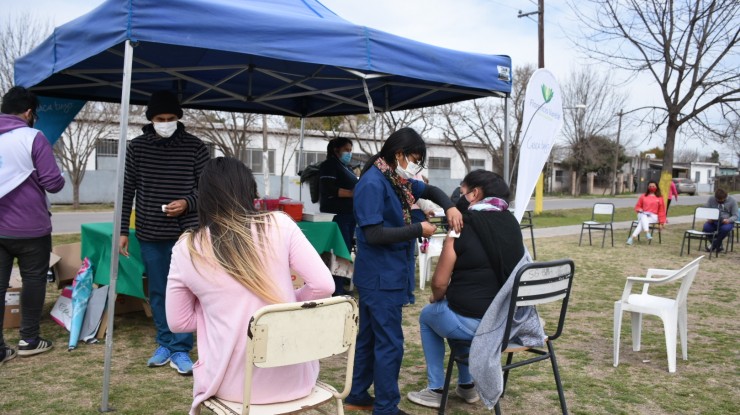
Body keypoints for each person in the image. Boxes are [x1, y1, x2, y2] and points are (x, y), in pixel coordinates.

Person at [166, 157, 334, 415]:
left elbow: (178, 323)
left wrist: (217, 313)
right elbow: (324, 286)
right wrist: (288, 302)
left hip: (231, 384)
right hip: (297, 380)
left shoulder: (185, 248)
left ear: (204, 198)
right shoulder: (280, 224)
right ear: (251, 192)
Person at [345, 127, 463, 415]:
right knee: (390, 344)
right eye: (413, 158)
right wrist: (417, 228)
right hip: (380, 276)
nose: (415, 165)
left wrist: (449, 207)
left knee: (371, 337)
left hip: (387, 274)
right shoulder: (373, 183)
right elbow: (372, 234)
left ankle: (358, 393)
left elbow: (429, 190)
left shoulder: (395, 178)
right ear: (398, 154)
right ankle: (386, 408)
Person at [407, 170, 524, 409]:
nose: (457, 196)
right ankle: (467, 385)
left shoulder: (460, 226)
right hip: (507, 320)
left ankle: (436, 389)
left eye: (461, 190)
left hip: (478, 322)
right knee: (451, 313)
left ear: (475, 194)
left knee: (430, 316)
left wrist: (435, 297)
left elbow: (439, 283)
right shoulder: (511, 223)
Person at [119, 90, 210, 375]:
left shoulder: (196, 147)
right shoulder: (137, 147)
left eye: (171, 118)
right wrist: (123, 229)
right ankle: (165, 342)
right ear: (151, 119)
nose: (166, 122)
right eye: (161, 118)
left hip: (187, 233)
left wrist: (187, 203)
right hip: (149, 232)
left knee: (186, 290)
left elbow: (206, 188)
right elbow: (127, 190)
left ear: (179, 118)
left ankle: (181, 347)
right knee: (158, 290)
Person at [0, 86, 65, 363]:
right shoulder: (32, 137)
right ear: (28, 112)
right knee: (34, 281)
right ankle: (29, 338)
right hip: (31, 227)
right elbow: (53, 183)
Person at [319, 137, 358, 295]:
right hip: (337, 215)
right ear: (336, 150)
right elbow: (328, 188)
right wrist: (350, 193)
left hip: (349, 214)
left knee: (345, 250)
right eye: (346, 150)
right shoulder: (328, 165)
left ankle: (340, 286)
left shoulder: (346, 167)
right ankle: (335, 288)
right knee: (338, 251)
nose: (349, 153)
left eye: (350, 150)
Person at [627, 180, 666, 245]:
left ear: (656, 187)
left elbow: (661, 211)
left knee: (641, 223)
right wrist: (639, 209)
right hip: (642, 214)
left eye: (653, 186)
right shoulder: (643, 196)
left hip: (653, 216)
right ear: (648, 187)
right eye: (650, 186)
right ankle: (647, 232)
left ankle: (631, 238)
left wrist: (661, 223)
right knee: (643, 215)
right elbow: (637, 206)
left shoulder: (659, 197)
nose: (651, 187)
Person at [702, 188, 738, 253]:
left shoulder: (732, 201)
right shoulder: (711, 199)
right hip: (714, 221)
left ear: (725, 197)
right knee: (706, 227)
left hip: (726, 222)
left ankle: (714, 245)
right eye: (717, 200)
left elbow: (735, 215)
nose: (719, 201)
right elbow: (706, 210)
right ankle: (718, 245)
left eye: (721, 200)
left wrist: (729, 220)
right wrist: (709, 218)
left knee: (724, 229)